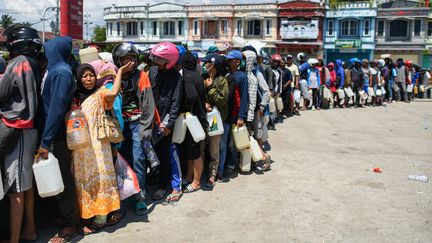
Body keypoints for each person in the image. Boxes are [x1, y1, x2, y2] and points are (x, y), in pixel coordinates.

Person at [0, 24, 42, 243]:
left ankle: (14, 239)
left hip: (17, 128)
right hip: (29, 129)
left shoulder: (17, 63)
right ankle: (30, 229)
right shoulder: (33, 63)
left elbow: (2, 91)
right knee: (26, 184)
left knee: (15, 187)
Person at [36, 36, 79, 243]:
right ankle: (62, 215)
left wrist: (46, 141)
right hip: (52, 133)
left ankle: (71, 223)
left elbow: (56, 108)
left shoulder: (61, 72)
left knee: (63, 179)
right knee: (55, 176)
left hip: (57, 135)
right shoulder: (55, 70)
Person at [71, 63, 123, 235]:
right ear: (79, 78)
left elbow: (114, 93)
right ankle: (88, 214)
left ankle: (102, 216)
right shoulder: (74, 97)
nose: (88, 79)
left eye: (91, 75)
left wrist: (120, 72)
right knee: (84, 179)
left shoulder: (100, 93)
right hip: (80, 147)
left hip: (99, 144)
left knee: (101, 177)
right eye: (84, 76)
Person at [112, 43, 157, 214]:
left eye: (132, 58)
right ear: (118, 60)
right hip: (119, 126)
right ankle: (124, 194)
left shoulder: (142, 76)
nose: (130, 62)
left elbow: (148, 104)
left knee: (139, 159)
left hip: (138, 123)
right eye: (125, 59)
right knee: (122, 161)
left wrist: (145, 129)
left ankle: (140, 196)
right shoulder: (113, 76)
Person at [149, 42, 183, 202]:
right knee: (150, 152)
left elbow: (176, 102)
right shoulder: (153, 71)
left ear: (169, 60)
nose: (155, 61)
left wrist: (168, 124)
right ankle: (155, 178)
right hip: (150, 119)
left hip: (165, 122)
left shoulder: (177, 77)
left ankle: (163, 186)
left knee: (164, 154)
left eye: (159, 59)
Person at [179, 51, 208, 193]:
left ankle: (196, 182)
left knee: (195, 152)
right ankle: (189, 176)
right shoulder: (196, 73)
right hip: (198, 118)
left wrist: (183, 107)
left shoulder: (187, 75)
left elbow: (191, 96)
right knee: (190, 150)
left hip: (194, 119)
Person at [219, 50, 248, 179]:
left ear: (237, 62)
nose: (228, 61)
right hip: (225, 114)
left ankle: (231, 166)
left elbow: (244, 97)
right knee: (224, 143)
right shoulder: (225, 74)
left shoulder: (242, 76)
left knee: (232, 143)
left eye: (230, 60)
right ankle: (224, 165)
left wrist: (241, 116)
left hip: (235, 115)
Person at [201, 53, 229, 187]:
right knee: (201, 147)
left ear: (214, 65)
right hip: (202, 119)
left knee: (214, 149)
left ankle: (212, 174)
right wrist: (204, 103)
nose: (205, 65)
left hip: (215, 120)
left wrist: (211, 88)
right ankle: (199, 172)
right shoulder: (203, 78)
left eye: (208, 63)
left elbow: (223, 100)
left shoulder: (222, 80)